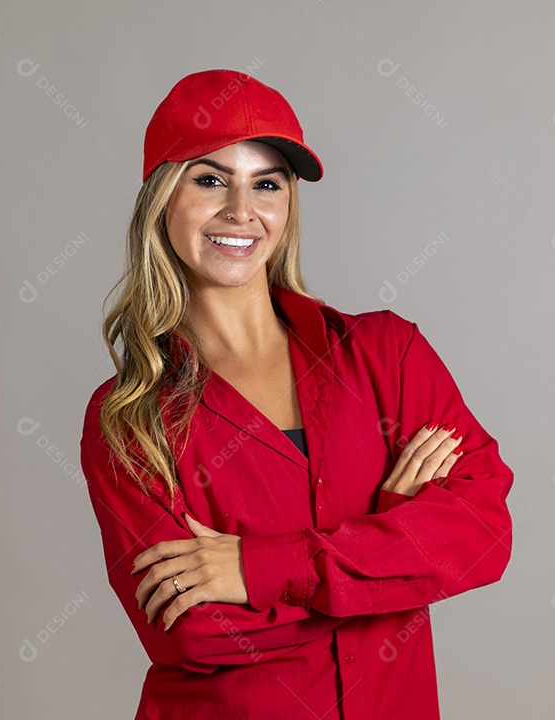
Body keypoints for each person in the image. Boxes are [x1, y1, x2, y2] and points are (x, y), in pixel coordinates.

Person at [79, 68, 515, 720]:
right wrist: (392, 545)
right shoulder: (129, 418)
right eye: (209, 180)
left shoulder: (387, 355)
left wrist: (258, 569)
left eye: (267, 183)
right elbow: (191, 632)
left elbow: (481, 533)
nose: (241, 210)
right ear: (161, 199)